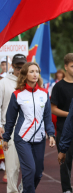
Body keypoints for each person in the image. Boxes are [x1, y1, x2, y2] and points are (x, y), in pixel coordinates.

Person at [2, 62, 56, 193]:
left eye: (37, 71)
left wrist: (51, 134)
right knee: (30, 170)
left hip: (39, 138)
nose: (35, 74)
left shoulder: (44, 94)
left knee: (38, 173)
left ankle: (25, 188)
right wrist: (6, 137)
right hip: (22, 138)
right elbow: (10, 119)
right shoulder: (17, 94)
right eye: (31, 71)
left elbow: (47, 117)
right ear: (25, 75)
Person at [51, 53, 73, 193]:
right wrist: (71, 114)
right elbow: (53, 109)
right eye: (72, 66)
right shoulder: (58, 87)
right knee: (65, 161)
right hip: (64, 128)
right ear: (65, 67)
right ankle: (67, 189)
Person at [0, 54, 26, 192]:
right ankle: (12, 191)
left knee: (32, 167)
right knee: (12, 166)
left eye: (23, 67)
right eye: (17, 67)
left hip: (30, 128)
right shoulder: (4, 82)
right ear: (12, 66)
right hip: (11, 127)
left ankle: (24, 187)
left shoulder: (31, 80)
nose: (20, 70)